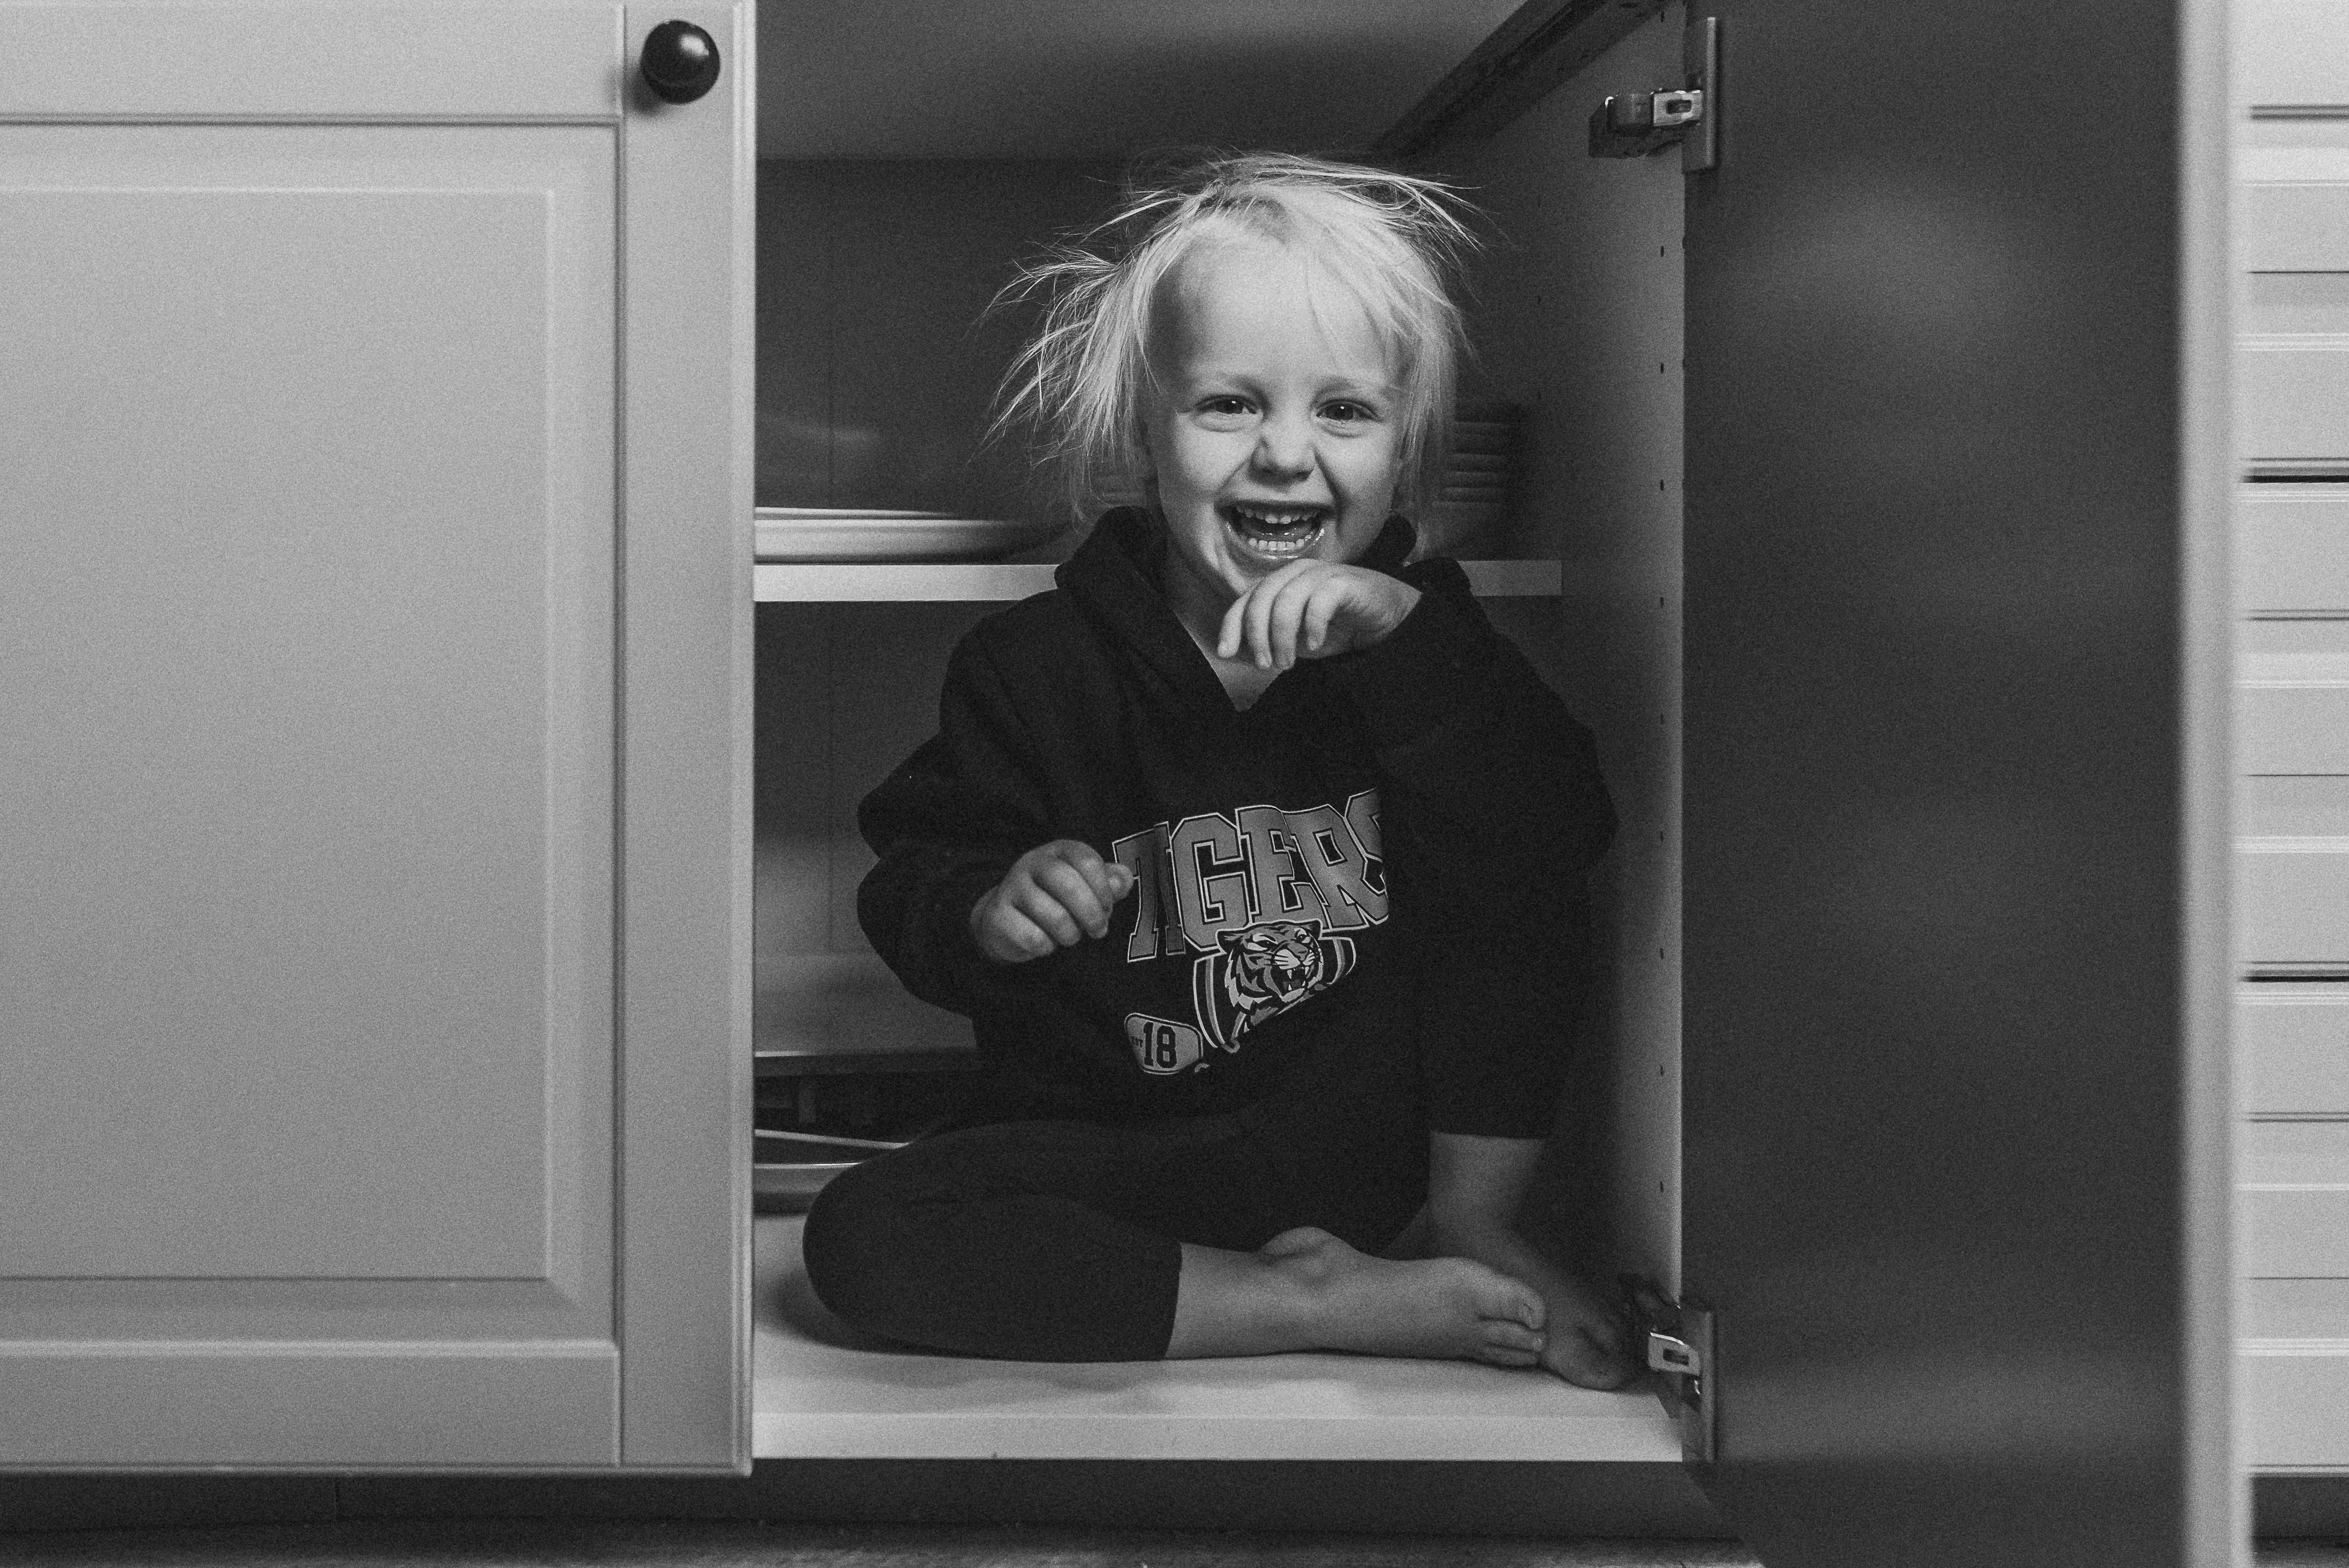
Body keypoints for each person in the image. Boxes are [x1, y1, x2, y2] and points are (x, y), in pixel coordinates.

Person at [800, 152, 1634, 1388]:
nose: (1287, 455)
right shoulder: (1037, 665)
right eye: (1230, 405)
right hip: (1116, 1146)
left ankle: (1474, 1223)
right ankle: (1292, 1301)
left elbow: (1558, 827)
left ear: (1406, 446)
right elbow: (918, 871)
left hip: (1378, 1149)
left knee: (1512, 871)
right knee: (859, 1239)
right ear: (1145, 432)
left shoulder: (1425, 639)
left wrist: (1399, 639)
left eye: (1343, 411)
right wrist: (990, 903)